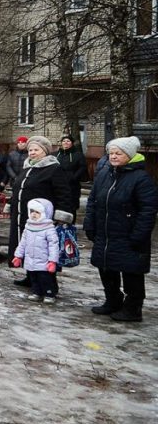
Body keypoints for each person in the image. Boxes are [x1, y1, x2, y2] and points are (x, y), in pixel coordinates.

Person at [83, 136, 157, 322]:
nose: (114, 157)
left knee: (131, 272)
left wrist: (138, 235)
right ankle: (112, 301)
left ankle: (133, 309)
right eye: (111, 153)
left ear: (130, 156)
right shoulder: (104, 174)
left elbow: (148, 210)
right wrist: (89, 224)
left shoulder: (141, 179)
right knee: (106, 268)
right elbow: (93, 201)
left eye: (119, 153)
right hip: (105, 233)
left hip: (129, 235)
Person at [7, 136, 72, 287]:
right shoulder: (28, 167)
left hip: (44, 220)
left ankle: (49, 284)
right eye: (30, 150)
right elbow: (18, 189)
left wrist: (61, 215)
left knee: (43, 251)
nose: (32, 153)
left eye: (36, 150)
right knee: (30, 247)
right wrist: (11, 204)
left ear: (45, 152)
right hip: (25, 216)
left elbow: (63, 193)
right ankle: (31, 277)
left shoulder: (53, 168)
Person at [12, 198, 60, 303]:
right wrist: (18, 256)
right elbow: (23, 242)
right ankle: (37, 292)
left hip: (44, 260)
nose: (33, 214)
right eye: (32, 211)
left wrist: (52, 261)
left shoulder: (49, 229)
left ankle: (49, 293)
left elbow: (53, 246)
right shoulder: (29, 226)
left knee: (45, 278)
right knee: (33, 277)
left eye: (37, 212)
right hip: (31, 259)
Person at [55, 135, 87, 220]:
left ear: (72, 143)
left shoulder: (78, 154)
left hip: (72, 186)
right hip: (57, 185)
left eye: (68, 141)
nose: (66, 143)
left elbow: (82, 167)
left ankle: (70, 226)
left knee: (71, 207)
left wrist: (74, 177)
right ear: (61, 143)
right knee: (58, 205)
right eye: (64, 141)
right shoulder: (56, 154)